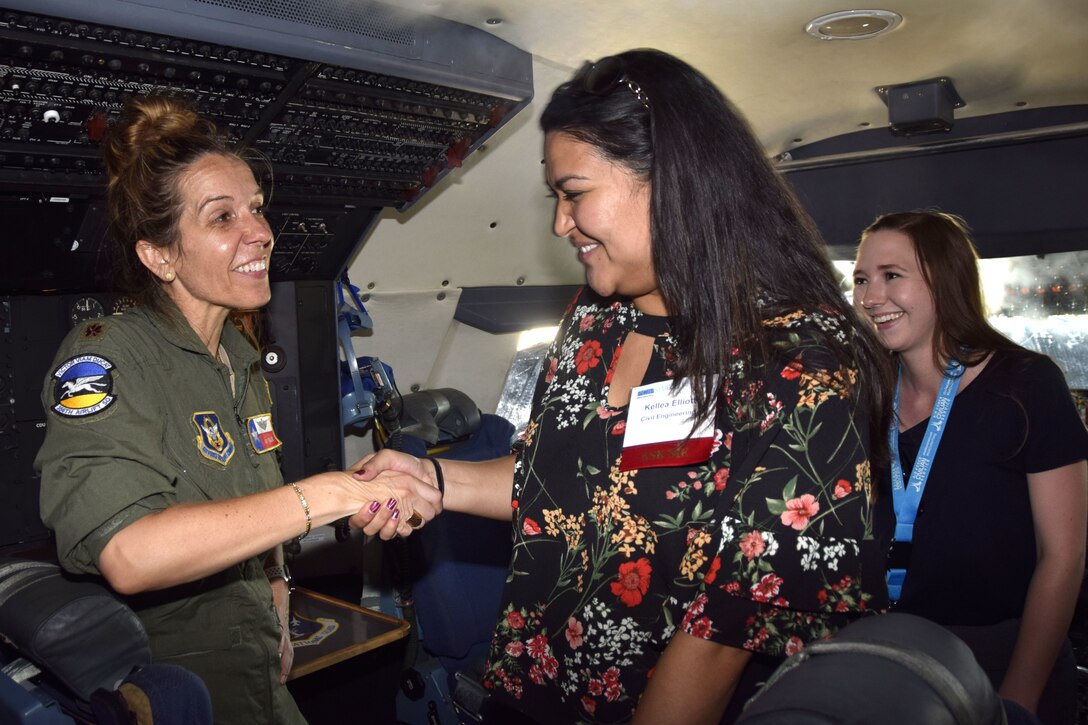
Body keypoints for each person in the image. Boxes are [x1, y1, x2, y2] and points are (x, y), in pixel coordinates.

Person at [355, 49, 892, 723]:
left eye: (574, 193)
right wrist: (431, 480)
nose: (559, 223)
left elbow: (726, 630)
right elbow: (554, 478)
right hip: (529, 693)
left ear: (671, 177)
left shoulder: (799, 359)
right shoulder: (597, 316)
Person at [34, 96, 442, 724]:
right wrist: (330, 495)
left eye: (255, 207)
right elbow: (129, 555)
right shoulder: (107, 360)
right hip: (172, 691)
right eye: (222, 217)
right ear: (160, 255)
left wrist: (278, 588)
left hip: (256, 667)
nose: (261, 232)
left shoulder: (238, 354)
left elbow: (251, 495)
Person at [851, 210, 1088, 725]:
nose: (871, 297)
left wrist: (1018, 700)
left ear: (944, 278)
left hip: (1003, 656)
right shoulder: (865, 395)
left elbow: (1063, 557)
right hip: (889, 655)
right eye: (862, 279)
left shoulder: (1027, 385)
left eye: (893, 276)